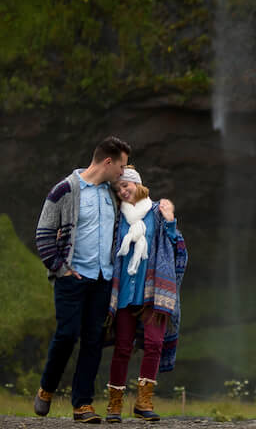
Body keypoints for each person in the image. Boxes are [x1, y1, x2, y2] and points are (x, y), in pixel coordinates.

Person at [33, 135, 131, 423]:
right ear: (108, 161)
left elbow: (137, 201)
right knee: (66, 335)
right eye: (122, 166)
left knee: (93, 340)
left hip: (103, 278)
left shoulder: (112, 193)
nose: (123, 173)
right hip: (72, 278)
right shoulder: (65, 190)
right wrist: (60, 267)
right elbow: (44, 233)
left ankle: (83, 405)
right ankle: (47, 388)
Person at [104, 166, 187, 423]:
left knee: (154, 344)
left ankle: (143, 402)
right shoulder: (117, 218)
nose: (122, 191)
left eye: (125, 186)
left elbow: (178, 248)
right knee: (122, 347)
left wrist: (171, 222)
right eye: (118, 189)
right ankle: (114, 406)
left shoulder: (158, 213)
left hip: (154, 291)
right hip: (125, 291)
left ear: (138, 185)